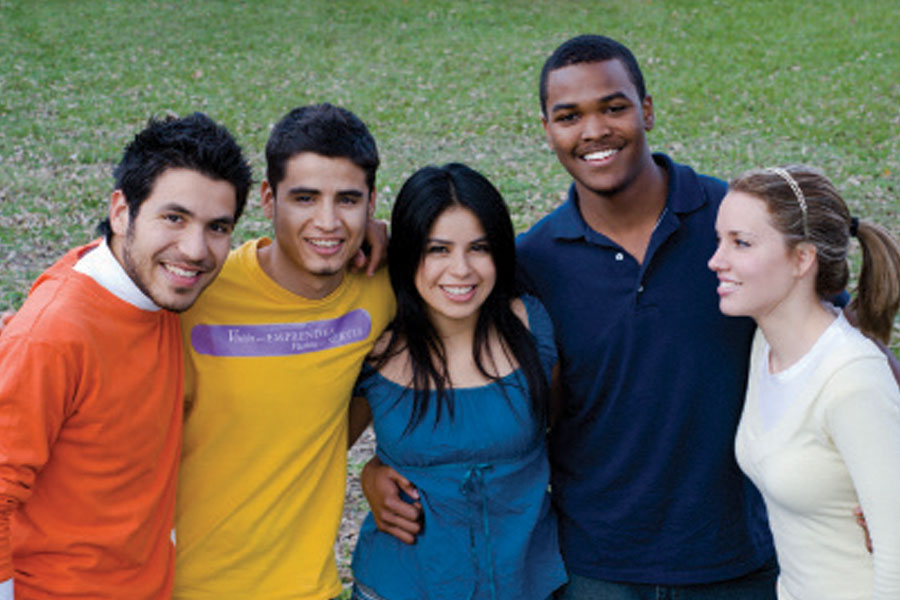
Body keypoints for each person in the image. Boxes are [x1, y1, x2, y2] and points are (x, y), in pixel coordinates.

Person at [362, 34, 780, 599]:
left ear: (647, 110)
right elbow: (489, 406)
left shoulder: (732, 222)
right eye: (569, 116)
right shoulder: (533, 264)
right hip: (593, 566)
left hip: (732, 557)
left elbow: (826, 347)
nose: (593, 131)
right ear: (547, 129)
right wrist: (375, 472)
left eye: (613, 107)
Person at [0, 113, 252, 599]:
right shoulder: (52, 335)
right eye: (173, 217)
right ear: (122, 211)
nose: (196, 250)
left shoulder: (160, 289)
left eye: (217, 227)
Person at [173, 103, 395, 600]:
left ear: (372, 202)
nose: (328, 222)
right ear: (268, 200)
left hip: (310, 589)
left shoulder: (382, 289)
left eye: (348, 200)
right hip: (184, 586)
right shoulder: (196, 292)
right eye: (305, 198)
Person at [349, 163, 566, 600]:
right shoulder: (376, 348)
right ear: (409, 254)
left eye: (479, 248)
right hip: (401, 585)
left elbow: (566, 437)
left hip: (527, 584)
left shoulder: (531, 327)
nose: (461, 269)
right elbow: (315, 451)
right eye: (438, 250)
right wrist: (369, 475)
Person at [708, 165, 900, 599]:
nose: (716, 260)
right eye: (719, 240)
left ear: (802, 259)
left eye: (741, 243)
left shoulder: (853, 379)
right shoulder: (766, 346)